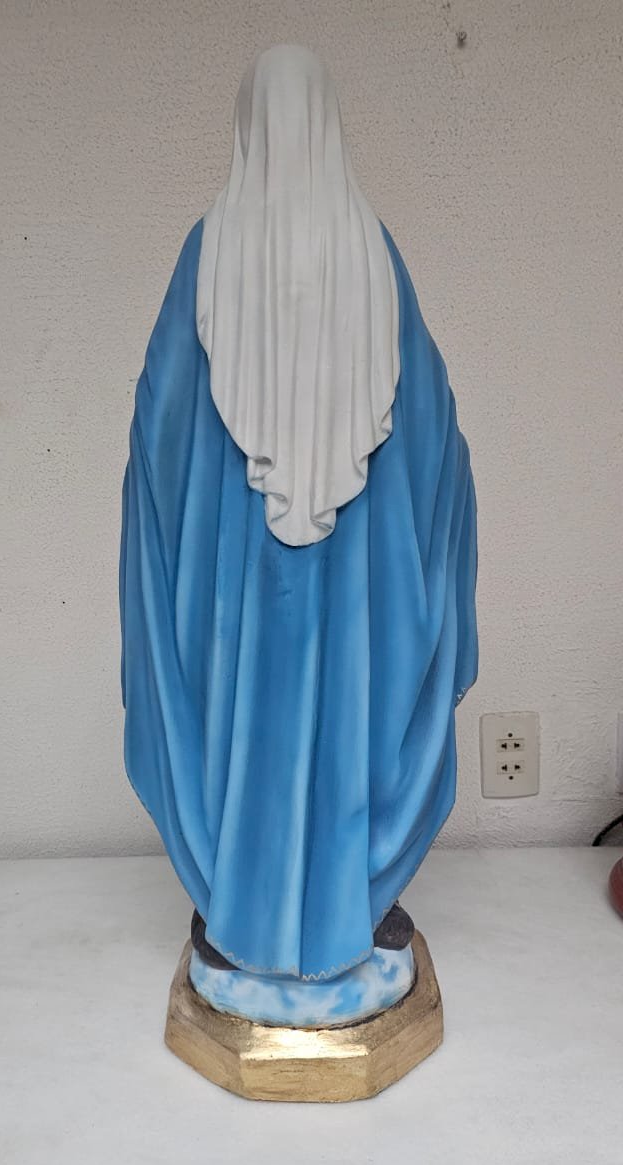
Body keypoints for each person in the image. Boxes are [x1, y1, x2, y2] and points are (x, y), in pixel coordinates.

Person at [120, 45, 478, 1000]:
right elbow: (433, 426)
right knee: (356, 716)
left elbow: (162, 415)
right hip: (358, 577)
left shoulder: (209, 248)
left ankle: (243, 911)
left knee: (244, 723)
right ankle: (351, 902)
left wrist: (182, 513)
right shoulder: (374, 253)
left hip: (237, 579)